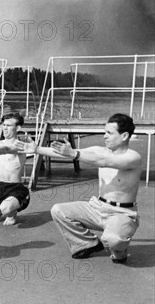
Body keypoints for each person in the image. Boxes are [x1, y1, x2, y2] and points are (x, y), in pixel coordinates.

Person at [18, 113, 141, 264]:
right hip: (98, 207)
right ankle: (88, 244)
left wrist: (74, 153)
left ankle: (119, 252)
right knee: (59, 211)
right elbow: (67, 154)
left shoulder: (133, 157)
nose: (104, 136)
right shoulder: (99, 150)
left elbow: (105, 161)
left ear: (124, 136)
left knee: (113, 240)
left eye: (109, 133)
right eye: (104, 132)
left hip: (122, 213)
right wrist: (37, 149)